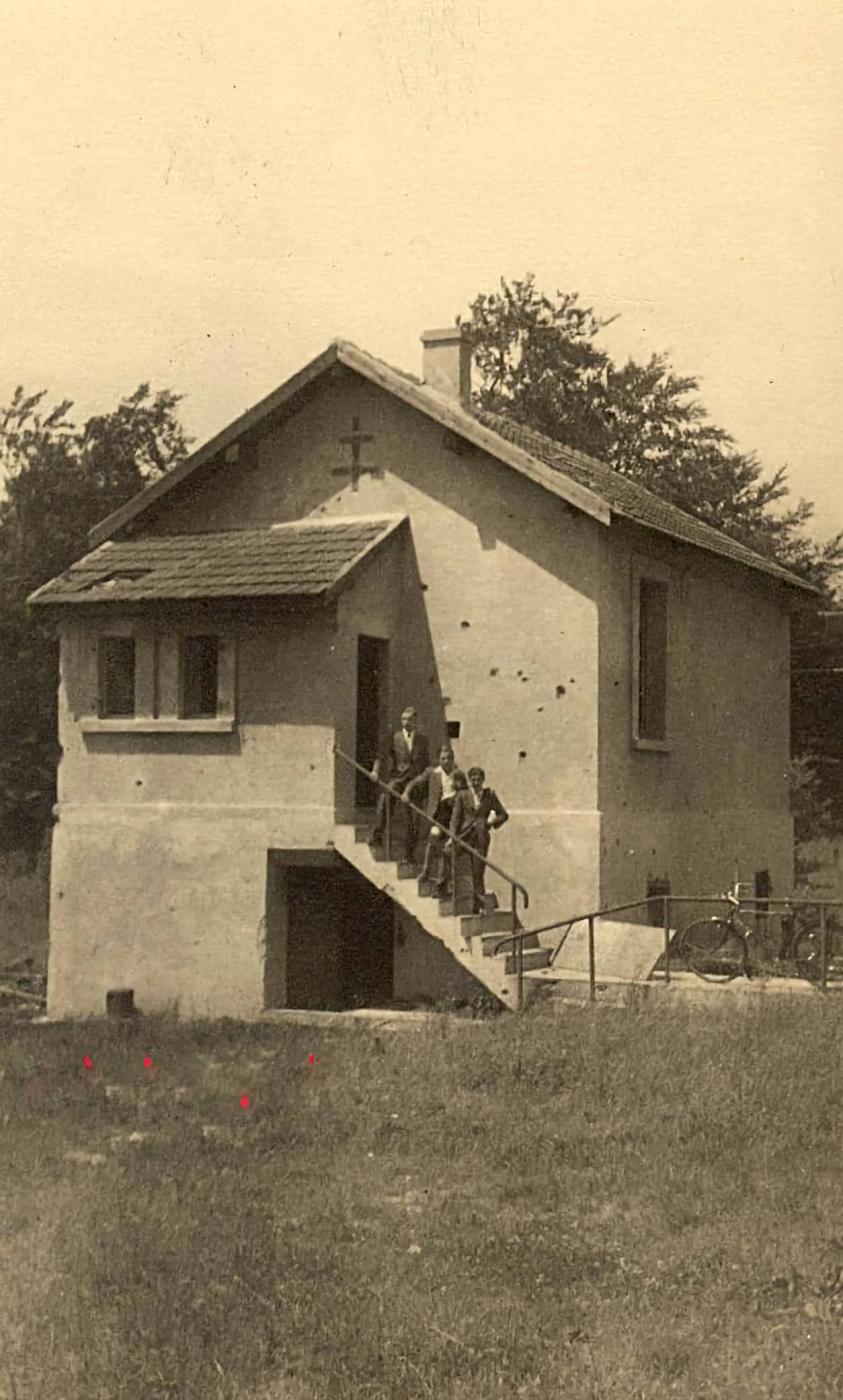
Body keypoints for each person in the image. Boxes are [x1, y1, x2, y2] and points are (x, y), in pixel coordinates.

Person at [368, 706, 430, 862]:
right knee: (386, 797)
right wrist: (375, 771)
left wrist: (423, 780)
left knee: (414, 819)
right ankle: (377, 834)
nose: (406, 722)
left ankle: (409, 854)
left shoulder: (422, 740)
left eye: (409, 719)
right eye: (403, 719)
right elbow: (381, 756)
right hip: (398, 779)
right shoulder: (394, 737)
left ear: (415, 721)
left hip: (415, 782)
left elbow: (426, 763)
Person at [404, 744, 465, 890]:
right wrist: (406, 793)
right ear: (439, 760)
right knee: (433, 840)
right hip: (439, 813)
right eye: (443, 758)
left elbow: (465, 792)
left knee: (447, 847)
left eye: (449, 758)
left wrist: (457, 797)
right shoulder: (432, 772)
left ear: (453, 759)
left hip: (453, 813)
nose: (446, 761)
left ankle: (443, 881)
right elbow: (416, 782)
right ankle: (426, 871)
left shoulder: (458, 774)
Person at [450, 766, 509, 913]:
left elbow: (504, 815)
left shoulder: (489, 795)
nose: (475, 782)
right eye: (473, 779)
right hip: (464, 836)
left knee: (478, 872)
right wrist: (452, 837)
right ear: (469, 781)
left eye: (478, 779)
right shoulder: (463, 795)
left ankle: (477, 908)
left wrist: (491, 822)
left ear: (483, 780)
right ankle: (446, 889)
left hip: (481, 838)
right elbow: (455, 818)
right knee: (448, 855)